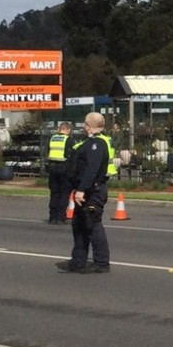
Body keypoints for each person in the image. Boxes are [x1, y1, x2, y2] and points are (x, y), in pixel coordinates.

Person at [60, 112, 115, 273]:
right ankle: (78, 261)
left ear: (89, 126)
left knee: (92, 224)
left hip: (93, 190)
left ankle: (102, 262)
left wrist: (81, 190)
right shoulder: (91, 142)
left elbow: (92, 169)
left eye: (85, 124)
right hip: (86, 189)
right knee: (78, 224)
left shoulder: (97, 144)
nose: (84, 127)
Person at [44, 120, 74, 224]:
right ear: (68, 130)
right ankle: (61, 217)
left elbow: (48, 152)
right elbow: (71, 156)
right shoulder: (68, 140)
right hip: (64, 169)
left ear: (59, 129)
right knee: (64, 194)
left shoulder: (52, 138)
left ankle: (52, 217)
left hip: (52, 169)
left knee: (54, 193)